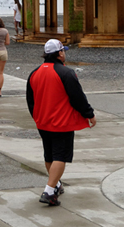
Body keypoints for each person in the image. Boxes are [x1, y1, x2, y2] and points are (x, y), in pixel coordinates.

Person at [27, 39, 96, 206]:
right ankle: (49, 191)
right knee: (60, 156)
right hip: (61, 122)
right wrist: (89, 113)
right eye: (63, 51)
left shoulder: (34, 73)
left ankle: (56, 184)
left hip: (42, 121)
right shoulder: (65, 73)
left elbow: (30, 99)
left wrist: (36, 117)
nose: (65, 53)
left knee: (49, 154)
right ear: (59, 53)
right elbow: (77, 97)